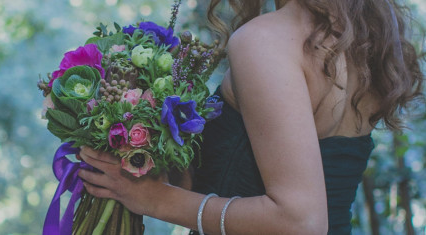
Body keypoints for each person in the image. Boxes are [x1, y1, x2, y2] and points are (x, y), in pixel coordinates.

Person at [77, 0, 424, 234]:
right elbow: (236, 175)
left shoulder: (266, 40)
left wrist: (156, 200)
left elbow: (301, 221)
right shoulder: (358, 42)